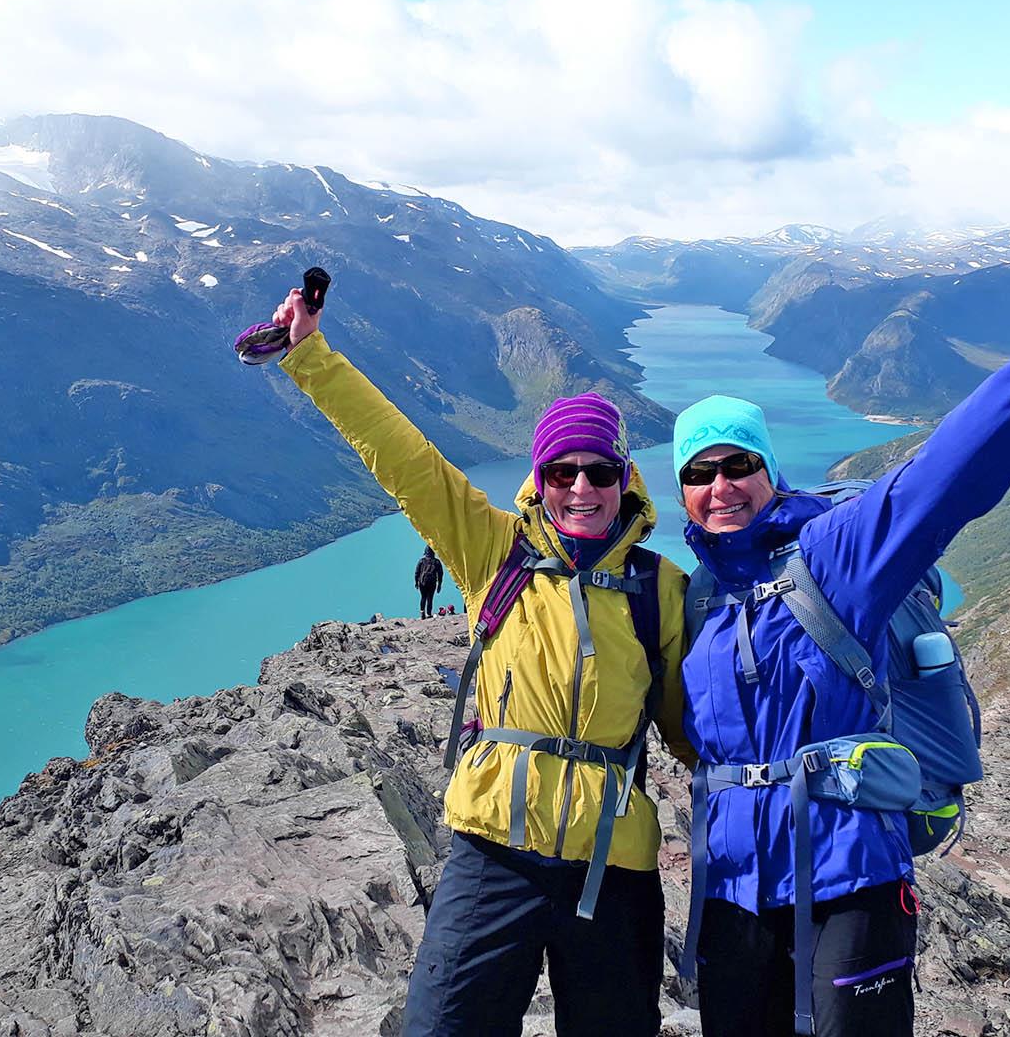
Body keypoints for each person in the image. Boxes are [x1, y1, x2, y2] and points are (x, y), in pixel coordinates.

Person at [674, 219, 1010, 1036]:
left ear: (768, 471)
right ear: (683, 492)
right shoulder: (695, 603)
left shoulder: (833, 559)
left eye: (738, 464)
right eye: (699, 472)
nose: (722, 485)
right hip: (732, 895)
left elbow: (948, 474)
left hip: (849, 875)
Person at [262, 285, 696, 1036]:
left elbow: (695, 733)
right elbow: (406, 460)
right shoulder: (496, 550)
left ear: (626, 477)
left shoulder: (660, 589)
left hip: (613, 867)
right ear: (542, 479)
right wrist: (310, 356)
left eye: (600, 471)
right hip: (495, 851)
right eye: (563, 472)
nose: (583, 488)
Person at [416, 544, 445, 618]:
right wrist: (439, 585)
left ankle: (422, 612)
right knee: (430, 598)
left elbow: (417, 572)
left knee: (423, 597)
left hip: (423, 582)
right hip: (432, 583)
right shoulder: (436, 562)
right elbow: (440, 574)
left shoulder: (421, 561)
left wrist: (416, 582)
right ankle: (428, 614)